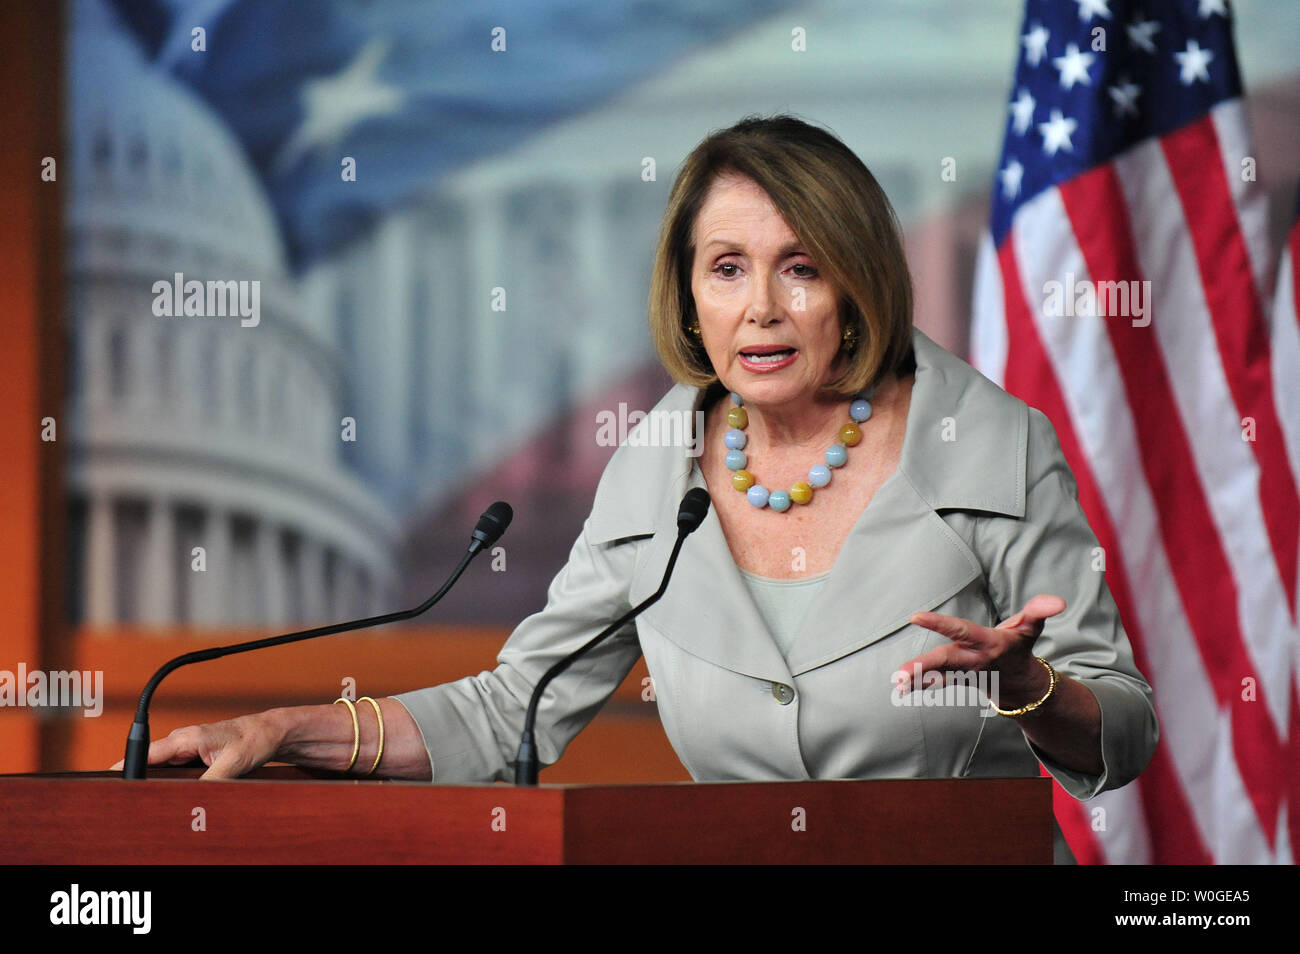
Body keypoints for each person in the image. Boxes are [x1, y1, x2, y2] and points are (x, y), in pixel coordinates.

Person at [120, 115, 1158, 863]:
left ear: (856, 286)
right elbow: (506, 713)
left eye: (799, 267)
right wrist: (285, 730)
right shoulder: (656, 466)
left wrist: (1028, 690)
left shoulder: (991, 446)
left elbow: (1125, 733)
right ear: (688, 293)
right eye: (725, 268)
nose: (760, 308)